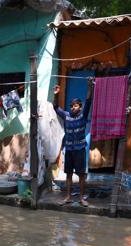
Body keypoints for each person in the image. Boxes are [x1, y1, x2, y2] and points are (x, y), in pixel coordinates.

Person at [53, 77, 94, 207]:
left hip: (80, 149)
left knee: (81, 175)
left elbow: (88, 100)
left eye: (75, 105)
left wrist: (89, 86)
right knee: (68, 174)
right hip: (69, 150)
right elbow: (55, 107)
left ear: (80, 107)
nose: (73, 108)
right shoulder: (67, 115)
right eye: (71, 106)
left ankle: (82, 198)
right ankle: (68, 197)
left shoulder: (83, 115)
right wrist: (56, 95)